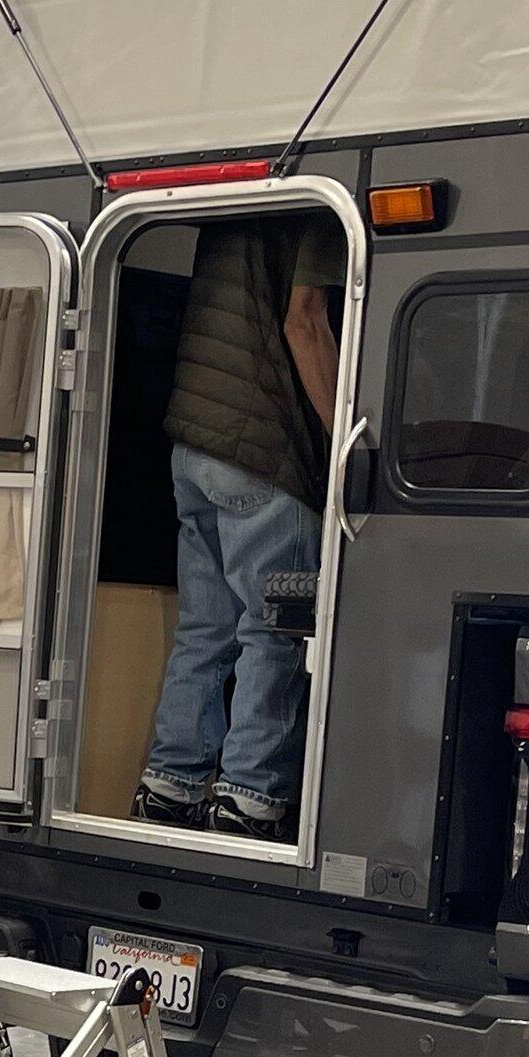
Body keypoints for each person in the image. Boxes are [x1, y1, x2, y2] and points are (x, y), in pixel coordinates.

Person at [133, 212, 344, 841]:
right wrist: (349, 445)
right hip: (262, 454)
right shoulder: (320, 218)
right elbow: (303, 322)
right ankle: (251, 796)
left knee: (204, 630)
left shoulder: (231, 215)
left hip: (193, 447)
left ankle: (171, 785)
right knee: (274, 631)